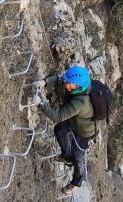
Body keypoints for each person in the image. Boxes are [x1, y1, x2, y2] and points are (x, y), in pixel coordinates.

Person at [34, 65, 97, 194]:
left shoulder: (80, 102)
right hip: (75, 118)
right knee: (59, 130)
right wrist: (45, 82)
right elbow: (59, 80)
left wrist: (41, 104)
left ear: (76, 86)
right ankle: (66, 156)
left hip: (85, 130)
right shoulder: (76, 85)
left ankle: (76, 182)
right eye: (66, 80)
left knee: (78, 156)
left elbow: (58, 116)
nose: (64, 83)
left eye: (68, 82)